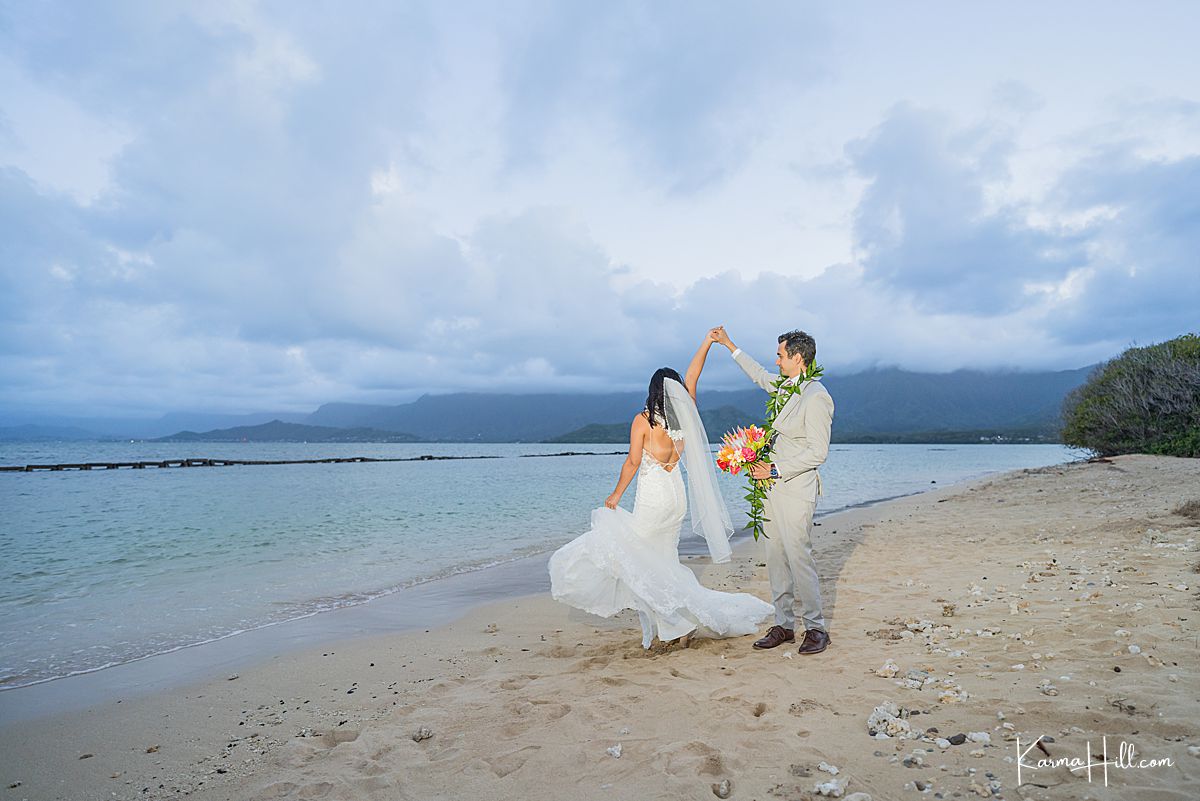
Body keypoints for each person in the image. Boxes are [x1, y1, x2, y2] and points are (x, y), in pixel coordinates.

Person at [548, 336, 772, 649]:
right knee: (663, 562)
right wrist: (708, 342)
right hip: (675, 497)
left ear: (652, 391)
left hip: (653, 497)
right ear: (675, 391)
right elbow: (693, 376)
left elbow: (632, 462)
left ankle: (674, 624)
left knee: (638, 563)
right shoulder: (684, 417)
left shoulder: (643, 420)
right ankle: (671, 627)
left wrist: (615, 496)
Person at [709, 326, 834, 656]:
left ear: (797, 357)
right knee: (775, 558)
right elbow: (758, 375)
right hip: (770, 489)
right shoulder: (783, 389)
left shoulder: (817, 396)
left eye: (780, 355)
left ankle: (816, 628)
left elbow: (818, 452)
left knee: (798, 557)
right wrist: (729, 345)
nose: (776, 362)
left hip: (796, 489)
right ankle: (783, 625)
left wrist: (776, 468)